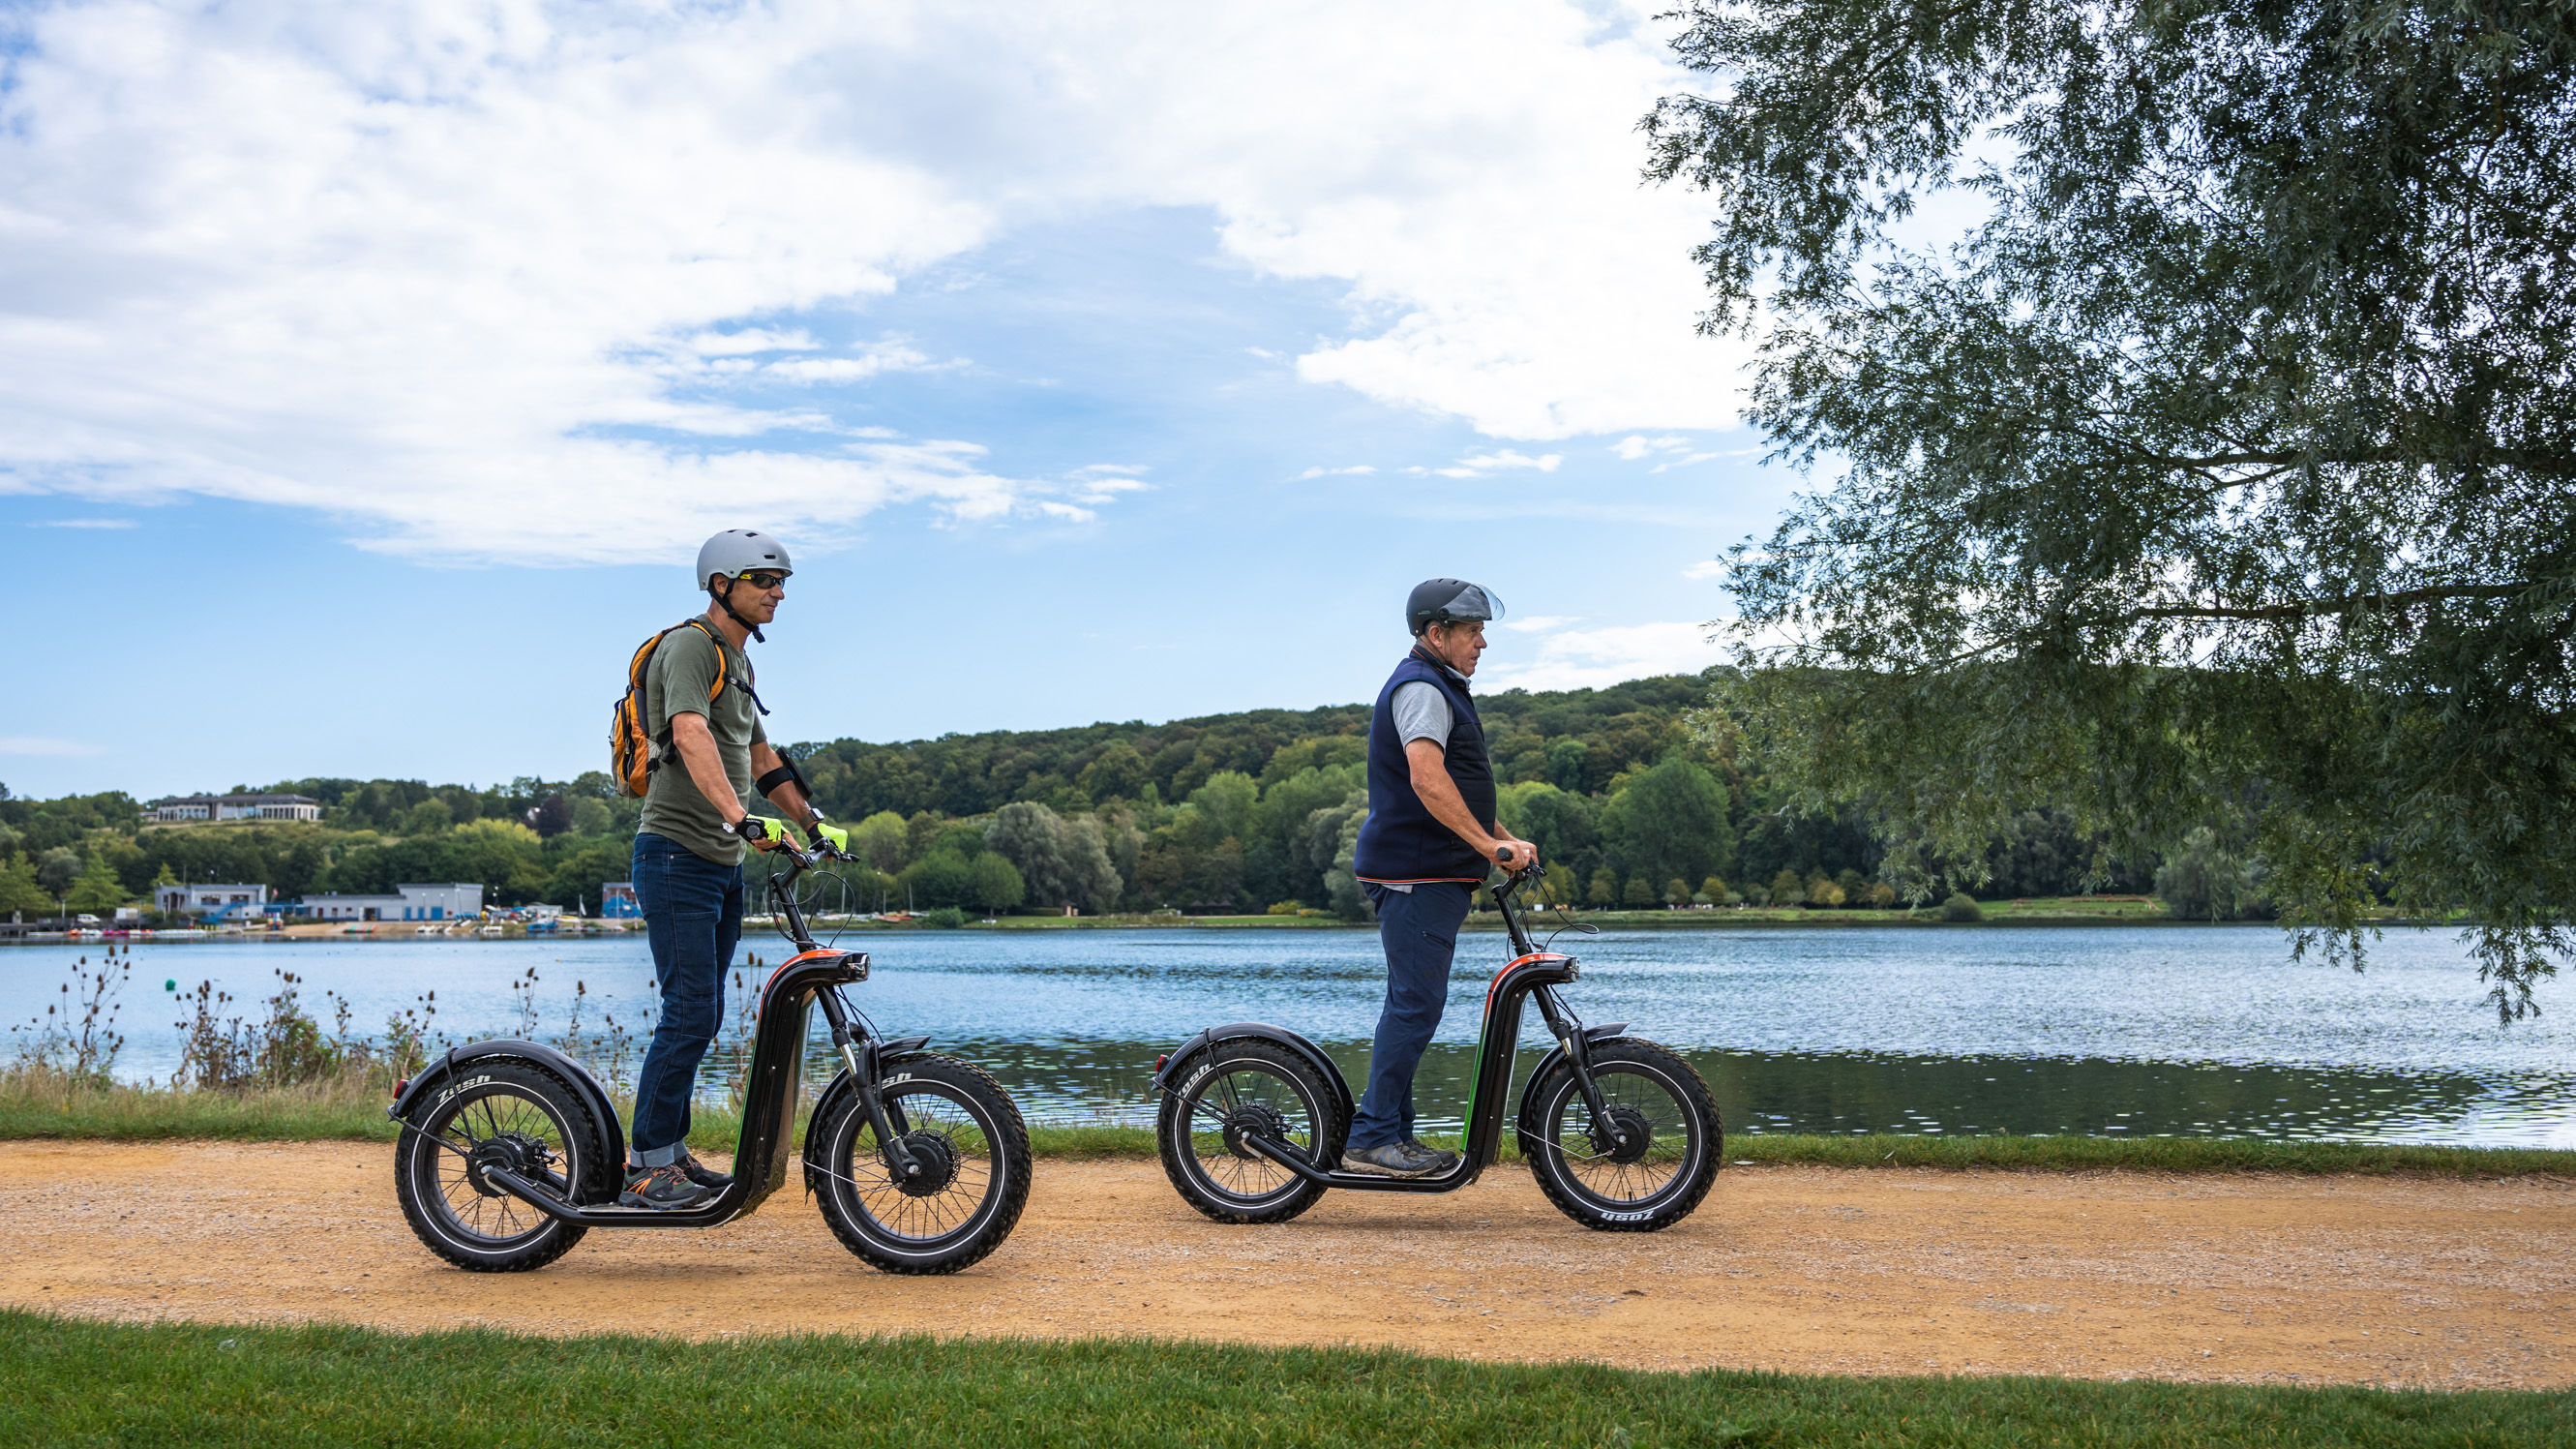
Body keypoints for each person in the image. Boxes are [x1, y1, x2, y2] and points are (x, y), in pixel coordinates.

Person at [623, 528, 828, 1209]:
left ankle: (671, 1154)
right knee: (689, 1011)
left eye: (781, 584)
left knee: (701, 1013)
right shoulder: (690, 646)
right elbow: (688, 733)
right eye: (764, 581)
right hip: (675, 855)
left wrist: (811, 820)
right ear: (721, 585)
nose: (777, 593)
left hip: (715, 865)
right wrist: (738, 817)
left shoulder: (739, 664)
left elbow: (762, 755)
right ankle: (647, 1167)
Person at [1343, 578, 1537, 1177]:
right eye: (1473, 632)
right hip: (1414, 875)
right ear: (1436, 634)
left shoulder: (1441, 687)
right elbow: (1427, 780)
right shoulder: (1423, 690)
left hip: (1427, 875)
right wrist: (1485, 845)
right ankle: (1373, 1137)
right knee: (1416, 1006)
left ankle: (1390, 1133)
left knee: (1411, 1004)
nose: (1482, 644)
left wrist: (1500, 837)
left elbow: (1460, 790)